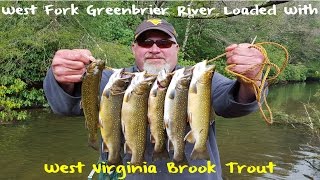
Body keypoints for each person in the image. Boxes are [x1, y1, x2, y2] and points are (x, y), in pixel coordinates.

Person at [44, 18, 265, 180]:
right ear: (134, 48)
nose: (155, 49)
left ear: (177, 48)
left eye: (165, 43)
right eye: (146, 42)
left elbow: (236, 103)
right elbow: (66, 105)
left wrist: (250, 80)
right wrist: (64, 79)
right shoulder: (113, 81)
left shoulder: (199, 79)